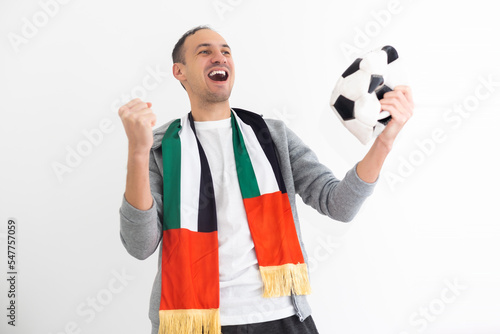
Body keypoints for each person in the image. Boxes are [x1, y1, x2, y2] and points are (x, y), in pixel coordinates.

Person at [118, 25, 414, 334]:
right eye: (204, 51)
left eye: (226, 51)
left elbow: (339, 205)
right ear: (179, 71)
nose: (219, 57)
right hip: (192, 323)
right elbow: (141, 245)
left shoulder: (273, 137)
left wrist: (385, 140)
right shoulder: (159, 147)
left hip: (281, 318)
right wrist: (137, 152)